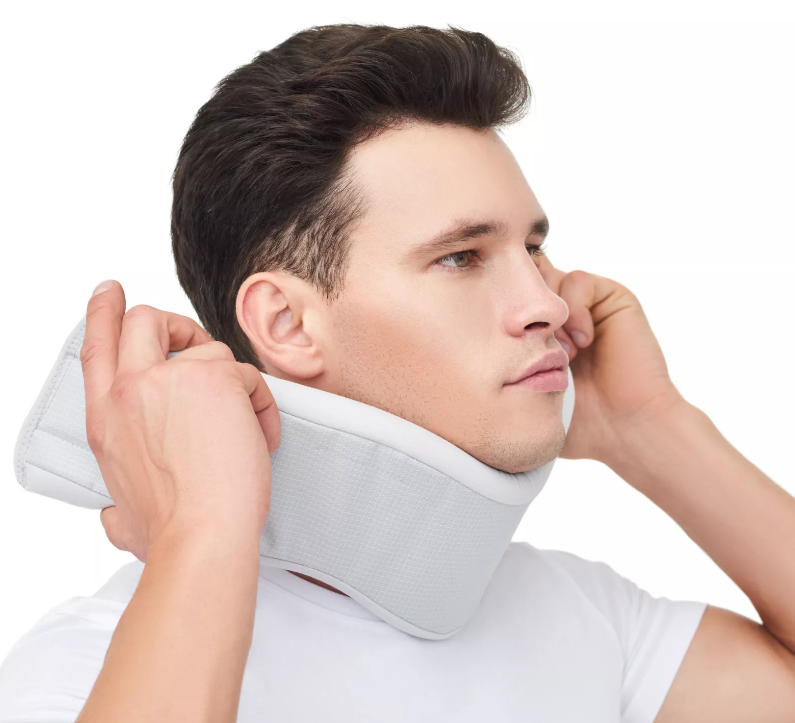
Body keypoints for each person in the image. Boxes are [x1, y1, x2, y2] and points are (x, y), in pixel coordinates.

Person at [2, 22, 794, 723]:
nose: (547, 303)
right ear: (286, 325)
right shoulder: (79, 669)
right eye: (461, 256)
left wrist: (650, 427)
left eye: (531, 248)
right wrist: (201, 532)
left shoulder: (585, 619)